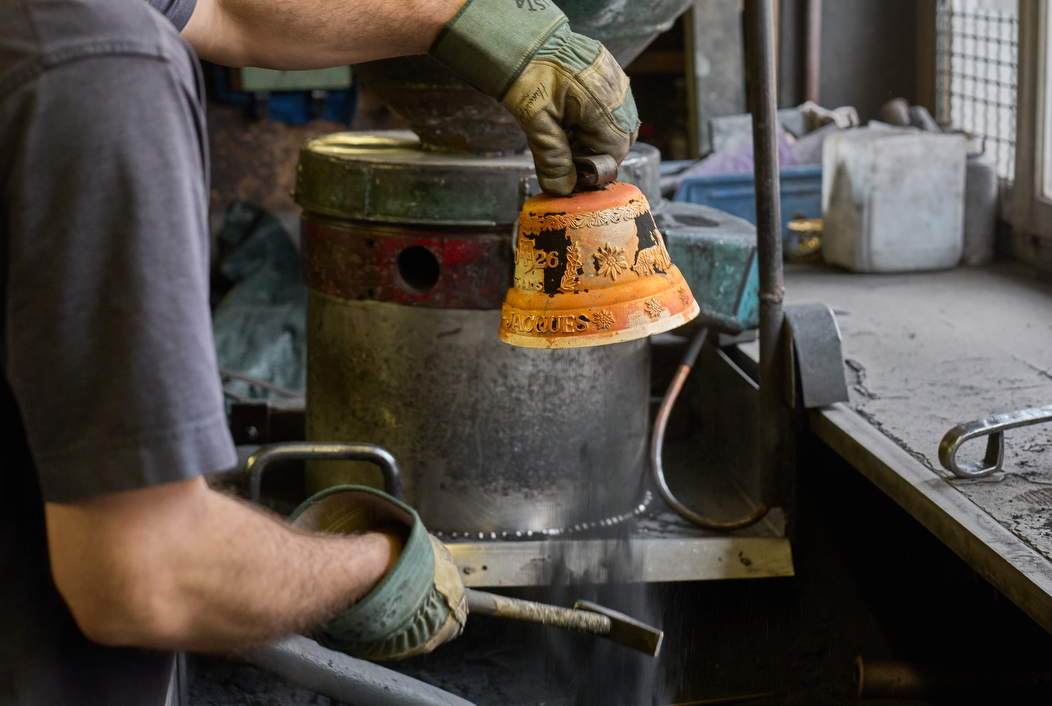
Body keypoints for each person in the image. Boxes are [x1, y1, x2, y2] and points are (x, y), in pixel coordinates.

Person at [0, 0, 639, 703]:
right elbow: (152, 573)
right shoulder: (103, 69)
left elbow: (225, 11)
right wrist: (376, 567)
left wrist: (475, 25)